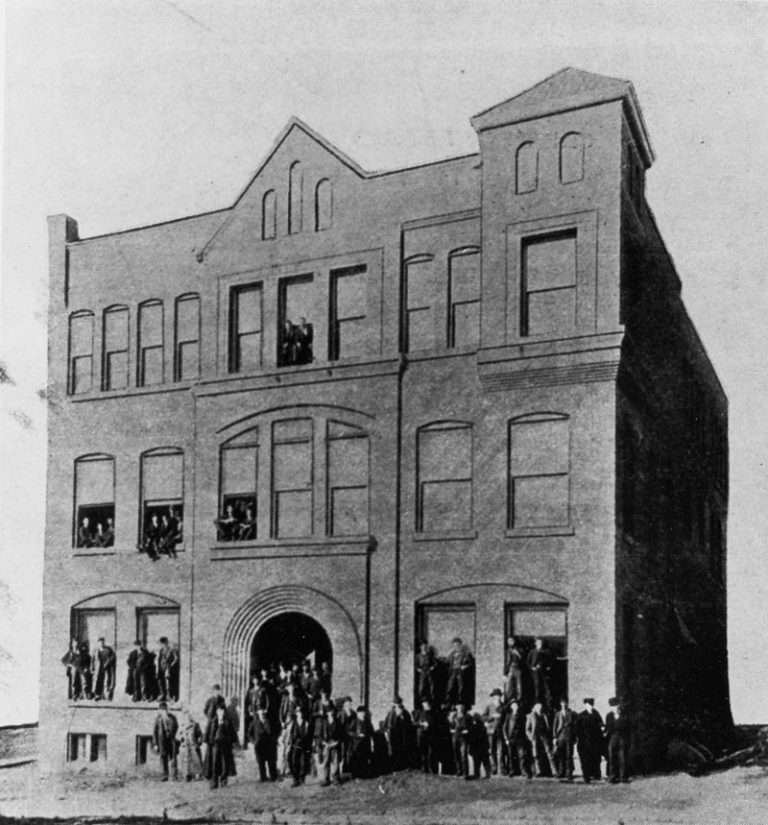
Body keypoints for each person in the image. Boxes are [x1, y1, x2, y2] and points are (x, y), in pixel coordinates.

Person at [205, 705, 237, 789]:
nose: (220, 713)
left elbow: (233, 735)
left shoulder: (228, 722)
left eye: (222, 711)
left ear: (224, 712)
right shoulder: (212, 721)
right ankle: (214, 783)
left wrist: (228, 740)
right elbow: (208, 733)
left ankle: (223, 781)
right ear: (216, 712)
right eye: (219, 711)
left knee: (225, 764)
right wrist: (210, 742)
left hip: (225, 746)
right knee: (214, 764)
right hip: (215, 746)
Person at [575, 697, 604, 783]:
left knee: (596, 758)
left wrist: (602, 727)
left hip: (595, 741)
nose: (591, 706)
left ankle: (596, 774)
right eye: (589, 705)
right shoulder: (581, 715)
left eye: (592, 705)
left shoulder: (596, 714)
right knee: (585, 759)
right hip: (584, 741)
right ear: (585, 705)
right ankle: (586, 776)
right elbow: (577, 728)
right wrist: (579, 738)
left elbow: (601, 723)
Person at [526, 701, 557, 778]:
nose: (539, 709)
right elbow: (527, 729)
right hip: (535, 737)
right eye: (538, 708)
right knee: (536, 755)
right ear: (535, 708)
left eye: (540, 708)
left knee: (549, 753)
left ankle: (554, 771)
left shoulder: (544, 716)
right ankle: (538, 771)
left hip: (544, 736)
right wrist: (530, 737)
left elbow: (548, 727)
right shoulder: (530, 716)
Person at [383, 697, 413, 771]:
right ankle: (393, 768)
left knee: (402, 751)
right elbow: (386, 724)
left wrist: (402, 717)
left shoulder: (405, 713)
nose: (396, 706)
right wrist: (386, 732)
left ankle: (402, 767)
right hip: (392, 735)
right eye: (395, 704)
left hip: (402, 736)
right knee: (392, 751)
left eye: (398, 705)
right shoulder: (391, 713)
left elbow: (409, 724)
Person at [604, 697, 630, 783]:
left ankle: (623, 777)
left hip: (622, 738)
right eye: (612, 706)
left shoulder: (624, 715)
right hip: (613, 738)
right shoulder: (609, 716)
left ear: (619, 706)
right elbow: (608, 727)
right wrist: (605, 731)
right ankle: (613, 777)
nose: (614, 708)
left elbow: (627, 727)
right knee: (612, 758)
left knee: (622, 758)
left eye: (616, 706)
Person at [504, 697, 531, 778]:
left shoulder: (522, 715)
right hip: (511, 737)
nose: (515, 707)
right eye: (514, 705)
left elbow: (525, 726)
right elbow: (504, 727)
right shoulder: (509, 716)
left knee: (522, 755)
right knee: (511, 756)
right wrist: (506, 738)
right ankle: (511, 771)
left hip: (520, 738)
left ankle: (523, 771)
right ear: (511, 707)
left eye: (516, 705)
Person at [482, 689, 507, 777]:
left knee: (501, 750)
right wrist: (491, 717)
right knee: (492, 750)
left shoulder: (503, 707)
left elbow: (506, 719)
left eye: (499, 696)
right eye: (496, 696)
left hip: (500, 731)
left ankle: (501, 769)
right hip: (491, 731)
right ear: (493, 697)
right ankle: (494, 768)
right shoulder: (489, 706)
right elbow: (483, 717)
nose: (497, 698)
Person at [249, 707, 278, 782]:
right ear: (258, 713)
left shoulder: (271, 721)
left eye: (264, 713)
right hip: (259, 746)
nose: (262, 714)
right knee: (261, 762)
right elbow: (249, 733)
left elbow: (277, 729)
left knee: (271, 761)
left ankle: (273, 777)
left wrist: (274, 739)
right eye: (261, 713)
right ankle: (263, 777)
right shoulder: (254, 722)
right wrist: (253, 741)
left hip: (270, 745)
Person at [316, 706, 343, 786]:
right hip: (326, 744)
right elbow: (319, 734)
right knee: (326, 761)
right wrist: (324, 742)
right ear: (326, 713)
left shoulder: (337, 722)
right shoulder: (323, 722)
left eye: (331, 711)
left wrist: (337, 742)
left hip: (334, 743)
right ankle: (325, 779)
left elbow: (340, 734)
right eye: (328, 711)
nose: (330, 713)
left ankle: (336, 778)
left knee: (335, 761)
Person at [153, 701, 179, 781]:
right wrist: (156, 744)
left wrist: (173, 734)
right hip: (162, 741)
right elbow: (155, 732)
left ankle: (174, 776)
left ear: (167, 709)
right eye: (162, 710)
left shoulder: (172, 717)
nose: (164, 711)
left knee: (173, 757)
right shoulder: (158, 719)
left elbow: (176, 726)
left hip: (171, 740)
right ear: (160, 710)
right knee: (163, 757)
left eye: (165, 709)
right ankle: (164, 776)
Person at [445, 637, 474, 708]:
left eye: (457, 645)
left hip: (461, 672)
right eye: (454, 645)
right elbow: (447, 661)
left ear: (461, 645)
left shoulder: (466, 654)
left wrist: (465, 666)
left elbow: (470, 664)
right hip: (453, 671)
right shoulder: (452, 654)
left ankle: (460, 702)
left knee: (461, 687)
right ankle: (449, 702)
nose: (456, 647)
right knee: (450, 686)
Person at [288, 706, 313, 786]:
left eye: (301, 712)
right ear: (296, 713)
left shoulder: (306, 723)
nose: (300, 714)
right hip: (295, 745)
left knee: (304, 762)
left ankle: (302, 779)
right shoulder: (293, 723)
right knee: (294, 761)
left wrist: (309, 746)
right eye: (298, 712)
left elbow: (309, 735)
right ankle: (295, 780)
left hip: (304, 745)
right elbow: (290, 734)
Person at [553, 696, 576, 781]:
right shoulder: (558, 714)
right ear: (560, 704)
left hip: (569, 737)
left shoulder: (572, 713)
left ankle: (569, 773)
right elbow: (555, 726)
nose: (564, 705)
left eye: (565, 703)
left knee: (569, 755)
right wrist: (554, 737)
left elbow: (574, 727)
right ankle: (561, 772)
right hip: (560, 737)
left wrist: (574, 737)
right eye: (562, 703)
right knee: (560, 755)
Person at [449, 701, 474, 779]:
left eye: (461, 706)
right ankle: (459, 771)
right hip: (455, 737)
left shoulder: (468, 716)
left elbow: (471, 727)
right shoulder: (454, 716)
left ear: (463, 707)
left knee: (464, 755)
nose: (460, 708)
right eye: (458, 706)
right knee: (456, 755)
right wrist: (452, 730)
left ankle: (465, 774)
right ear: (456, 707)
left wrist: (468, 731)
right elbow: (451, 726)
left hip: (464, 738)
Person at [348, 705, 374, 779]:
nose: (363, 714)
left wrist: (371, 739)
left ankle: (364, 774)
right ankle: (356, 776)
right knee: (357, 759)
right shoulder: (355, 721)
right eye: (361, 713)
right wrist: (357, 734)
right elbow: (349, 731)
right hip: (357, 744)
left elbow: (371, 732)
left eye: (364, 712)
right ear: (358, 713)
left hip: (366, 743)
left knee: (364, 758)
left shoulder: (367, 722)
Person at [177, 710, 204, 781]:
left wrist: (199, 743)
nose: (187, 718)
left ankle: (197, 775)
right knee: (185, 762)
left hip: (193, 745)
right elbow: (177, 736)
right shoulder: (182, 726)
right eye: (185, 716)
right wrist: (181, 738)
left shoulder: (195, 725)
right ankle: (186, 776)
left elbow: (201, 736)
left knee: (196, 760)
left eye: (189, 716)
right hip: (185, 746)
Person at [527, 638, 553, 708]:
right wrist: (532, 668)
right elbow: (528, 662)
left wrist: (548, 667)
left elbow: (550, 661)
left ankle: (548, 704)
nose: (539, 644)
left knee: (546, 688)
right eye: (538, 642)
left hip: (543, 672)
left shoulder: (545, 651)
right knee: (536, 688)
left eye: (540, 643)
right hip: (535, 673)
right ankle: (536, 703)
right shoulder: (532, 651)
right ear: (535, 643)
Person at [413, 698, 437, 774]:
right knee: (422, 752)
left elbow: (435, 724)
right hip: (421, 736)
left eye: (429, 704)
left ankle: (430, 769)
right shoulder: (419, 712)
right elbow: (413, 723)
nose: (428, 705)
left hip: (430, 736)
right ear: (423, 704)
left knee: (430, 752)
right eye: (426, 704)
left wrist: (430, 725)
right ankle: (423, 768)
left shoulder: (432, 713)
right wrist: (421, 724)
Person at [92, 636, 116, 701]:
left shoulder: (108, 649)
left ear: (104, 642)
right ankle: (97, 695)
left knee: (106, 681)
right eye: (100, 643)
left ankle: (107, 695)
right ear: (98, 643)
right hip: (98, 668)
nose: (101, 644)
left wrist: (108, 662)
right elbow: (93, 660)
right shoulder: (95, 650)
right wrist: (92, 669)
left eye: (102, 642)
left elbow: (112, 657)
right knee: (98, 681)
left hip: (106, 668)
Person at [156, 637, 178, 702]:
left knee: (168, 682)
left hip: (168, 667)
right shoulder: (161, 650)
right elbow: (159, 659)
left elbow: (176, 658)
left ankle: (169, 696)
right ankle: (163, 695)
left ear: (166, 642)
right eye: (162, 643)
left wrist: (171, 664)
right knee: (161, 682)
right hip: (161, 667)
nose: (163, 644)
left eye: (164, 643)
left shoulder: (171, 649)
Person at [505, 636, 525, 703]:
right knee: (509, 684)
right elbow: (507, 661)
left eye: (511, 640)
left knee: (519, 685)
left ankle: (519, 699)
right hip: (511, 668)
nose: (510, 642)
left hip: (518, 668)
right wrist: (505, 672)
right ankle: (509, 699)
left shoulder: (520, 648)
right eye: (508, 641)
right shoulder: (508, 650)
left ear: (514, 641)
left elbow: (523, 658)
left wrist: (517, 653)